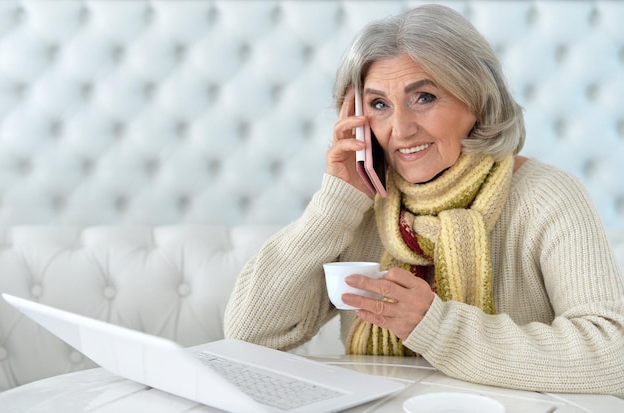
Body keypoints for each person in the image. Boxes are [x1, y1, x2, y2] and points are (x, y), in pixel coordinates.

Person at [224, 4, 624, 395]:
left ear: (478, 98)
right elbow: (248, 334)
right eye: (379, 104)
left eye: (424, 97)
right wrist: (335, 203)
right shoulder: (363, 201)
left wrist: (437, 326)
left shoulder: (548, 196)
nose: (401, 128)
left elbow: (613, 357)